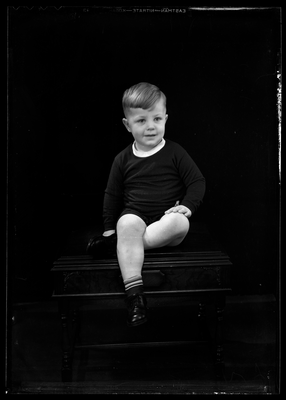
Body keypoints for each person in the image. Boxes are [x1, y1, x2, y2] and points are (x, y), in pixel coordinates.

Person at [87, 82, 206, 327]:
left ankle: (119, 245)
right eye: (141, 121)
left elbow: (197, 181)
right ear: (127, 125)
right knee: (126, 222)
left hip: (166, 221)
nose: (151, 126)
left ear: (166, 119)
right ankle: (135, 297)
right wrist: (110, 228)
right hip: (137, 216)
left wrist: (188, 206)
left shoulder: (175, 152)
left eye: (157, 118)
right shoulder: (123, 159)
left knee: (179, 222)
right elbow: (112, 196)